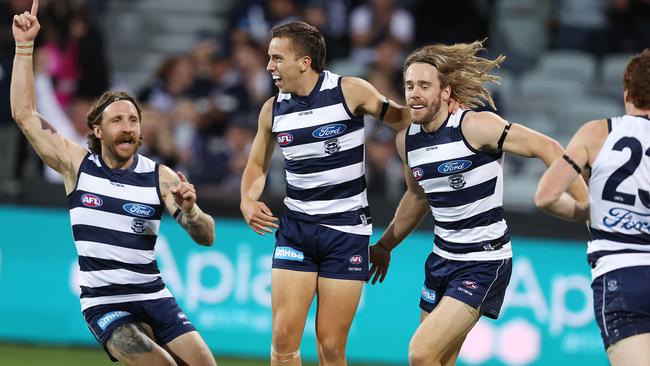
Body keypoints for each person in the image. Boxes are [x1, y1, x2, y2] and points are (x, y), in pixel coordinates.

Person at [10, 2, 217, 365]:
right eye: (117, 120)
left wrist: (191, 210)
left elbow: (206, 236)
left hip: (154, 295)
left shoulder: (160, 177)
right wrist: (24, 47)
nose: (128, 127)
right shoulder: (76, 165)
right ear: (97, 130)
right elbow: (24, 115)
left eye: (133, 120)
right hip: (105, 302)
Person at [367, 40, 589, 366]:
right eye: (410, 85)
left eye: (424, 86)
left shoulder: (475, 126)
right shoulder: (407, 141)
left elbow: (551, 149)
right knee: (439, 360)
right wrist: (385, 245)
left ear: (445, 92)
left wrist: (590, 213)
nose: (414, 93)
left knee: (420, 353)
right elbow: (417, 197)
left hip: (483, 263)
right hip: (441, 260)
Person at [239, 20, 425, 365]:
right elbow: (256, 164)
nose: (269, 67)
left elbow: (402, 121)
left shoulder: (350, 91)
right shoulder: (272, 109)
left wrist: (415, 168)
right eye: (269, 58)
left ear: (304, 62)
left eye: (277, 58)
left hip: (346, 233)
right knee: (283, 340)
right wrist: (247, 200)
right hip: (296, 231)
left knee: (331, 346)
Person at [535, 49, 650, 365]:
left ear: (626, 91)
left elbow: (545, 196)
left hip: (620, 274)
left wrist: (589, 210)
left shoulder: (597, 132)